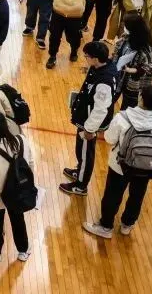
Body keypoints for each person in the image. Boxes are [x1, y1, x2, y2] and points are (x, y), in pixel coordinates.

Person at [82, 84, 152, 239]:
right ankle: (127, 225)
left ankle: (106, 226)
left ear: (140, 98)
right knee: (137, 196)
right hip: (145, 168)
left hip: (119, 166)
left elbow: (109, 139)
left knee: (112, 195)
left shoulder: (122, 118)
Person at [60, 41, 116, 196]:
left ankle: (80, 186)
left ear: (96, 58)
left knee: (86, 154)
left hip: (89, 123)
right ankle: (80, 171)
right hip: (85, 117)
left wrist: (89, 129)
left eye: (87, 56)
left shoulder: (104, 82)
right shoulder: (99, 66)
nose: (85, 58)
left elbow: (100, 109)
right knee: (80, 150)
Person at [0, 111, 31, 262]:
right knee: (18, 220)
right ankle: (23, 250)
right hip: (19, 190)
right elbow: (30, 163)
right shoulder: (22, 140)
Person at [112, 13, 152, 111]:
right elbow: (116, 54)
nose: (124, 27)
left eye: (126, 26)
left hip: (133, 84)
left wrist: (132, 70)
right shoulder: (125, 38)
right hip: (118, 76)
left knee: (127, 109)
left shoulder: (146, 47)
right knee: (109, 101)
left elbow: (150, 68)